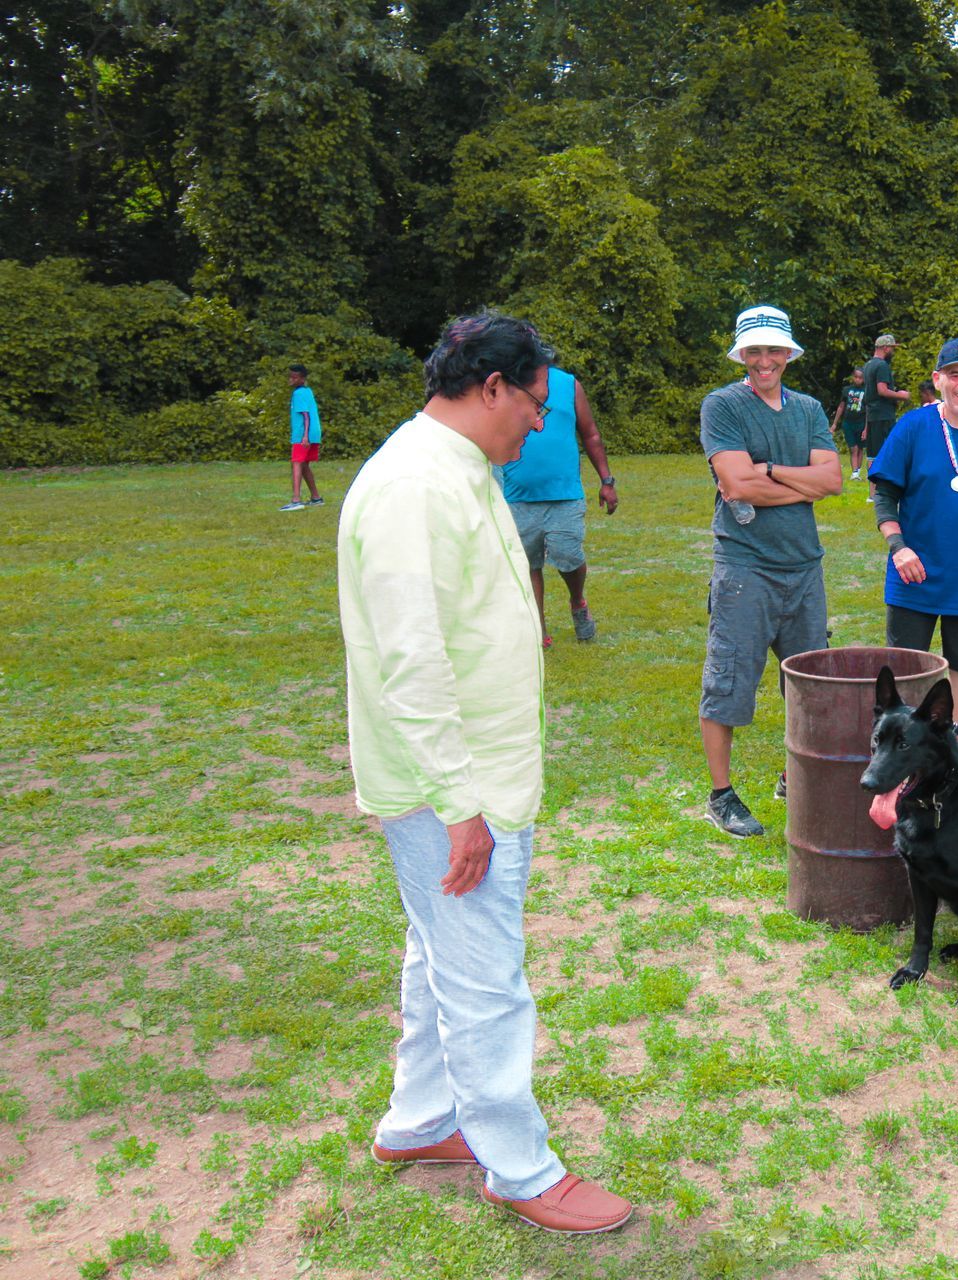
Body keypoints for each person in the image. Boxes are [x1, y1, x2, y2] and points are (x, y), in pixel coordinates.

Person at [337, 310, 631, 1235]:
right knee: (485, 978)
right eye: (536, 404)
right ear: (491, 385)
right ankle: (517, 1163)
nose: (543, 424)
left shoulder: (456, 470)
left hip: (472, 778)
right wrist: (459, 806)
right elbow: (410, 660)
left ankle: (420, 1122)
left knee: (439, 954)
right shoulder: (415, 483)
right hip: (450, 789)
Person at [699, 305, 842, 837]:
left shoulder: (806, 408)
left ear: (788, 354)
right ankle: (721, 796)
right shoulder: (723, 406)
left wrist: (771, 470)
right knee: (729, 679)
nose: (765, 360)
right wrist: (795, 480)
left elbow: (832, 482)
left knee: (810, 685)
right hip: (745, 566)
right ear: (742, 355)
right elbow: (736, 485)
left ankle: (794, 775)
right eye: (754, 351)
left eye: (773, 350)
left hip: (804, 567)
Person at [868, 337, 958, 716]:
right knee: (905, 674)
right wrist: (898, 547)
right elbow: (885, 495)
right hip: (914, 572)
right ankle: (903, 760)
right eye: (955, 375)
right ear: (938, 379)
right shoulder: (913, 426)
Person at [497, 368, 619, 648]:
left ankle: (578, 600)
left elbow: (590, 434)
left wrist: (607, 481)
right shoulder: (505, 385)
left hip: (564, 494)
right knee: (528, 563)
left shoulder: (568, 384)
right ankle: (538, 631)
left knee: (568, 555)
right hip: (517, 495)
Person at [861, 334, 912, 495]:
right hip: (883, 414)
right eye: (892, 349)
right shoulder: (882, 366)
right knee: (888, 450)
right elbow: (882, 390)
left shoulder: (868, 365)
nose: (893, 352)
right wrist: (901, 395)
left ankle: (872, 493)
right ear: (885, 348)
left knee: (872, 453)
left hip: (872, 415)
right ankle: (883, 491)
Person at [283, 365, 323, 511]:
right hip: (314, 433)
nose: (291, 380)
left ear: (302, 379)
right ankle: (316, 497)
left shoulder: (298, 394)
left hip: (303, 434)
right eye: (291, 376)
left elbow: (305, 415)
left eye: (295, 377)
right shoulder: (308, 391)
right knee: (304, 464)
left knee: (297, 463)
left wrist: (304, 436)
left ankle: (296, 499)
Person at [829, 367, 868, 478]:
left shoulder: (866, 391)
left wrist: (866, 428)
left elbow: (868, 411)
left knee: (860, 448)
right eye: (855, 377)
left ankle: (857, 472)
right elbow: (841, 406)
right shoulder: (847, 390)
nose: (857, 380)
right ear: (852, 377)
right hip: (848, 422)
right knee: (853, 448)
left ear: (864, 379)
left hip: (861, 423)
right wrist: (835, 423)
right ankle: (854, 472)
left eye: (860, 378)